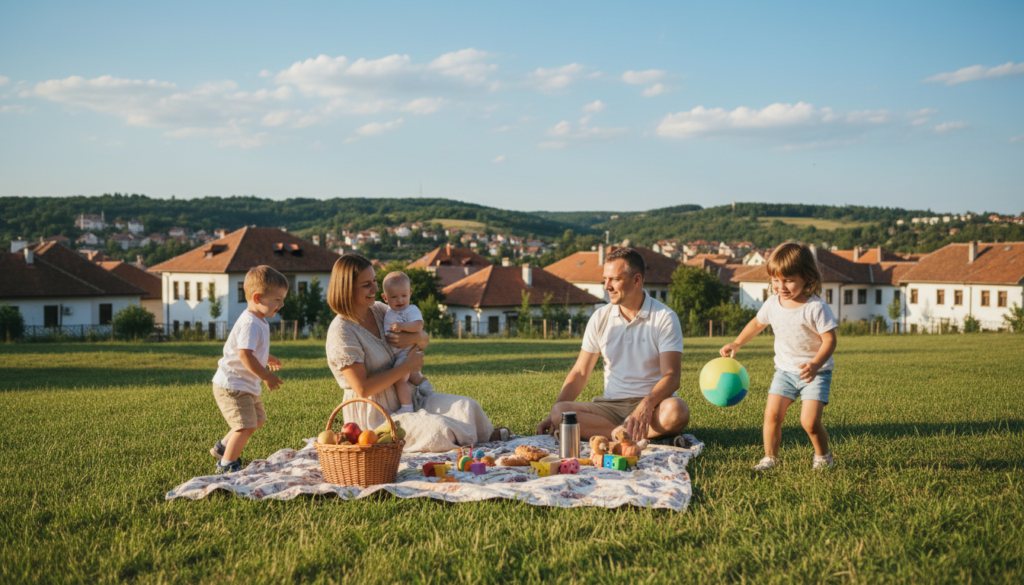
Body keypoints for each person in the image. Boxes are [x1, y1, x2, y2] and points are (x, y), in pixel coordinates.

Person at [325, 253, 510, 452]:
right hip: (376, 416)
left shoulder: (380, 310)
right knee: (436, 429)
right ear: (347, 289)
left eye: (375, 281)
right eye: (366, 284)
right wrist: (407, 366)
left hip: (410, 398)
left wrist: (415, 339)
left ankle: (483, 437)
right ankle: (460, 444)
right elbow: (362, 388)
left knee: (467, 406)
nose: (376, 289)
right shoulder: (342, 331)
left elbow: (424, 339)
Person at [537, 247, 690, 443]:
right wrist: (552, 416)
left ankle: (616, 434)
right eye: (605, 279)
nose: (607, 286)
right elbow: (580, 372)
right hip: (610, 407)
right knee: (561, 412)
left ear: (636, 280)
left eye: (614, 279)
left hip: (654, 405)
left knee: (678, 411)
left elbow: (672, 377)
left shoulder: (665, 317)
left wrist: (646, 406)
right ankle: (623, 436)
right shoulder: (600, 317)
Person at [719, 242, 837, 471]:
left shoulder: (816, 307)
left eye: (789, 280)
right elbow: (757, 323)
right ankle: (770, 458)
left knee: (810, 422)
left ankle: (823, 457)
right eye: (775, 280)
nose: (780, 286)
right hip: (784, 372)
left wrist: (815, 364)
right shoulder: (773, 303)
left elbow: (830, 340)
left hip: (815, 373)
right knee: (772, 415)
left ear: (807, 277)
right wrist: (737, 342)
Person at [209, 266, 288, 474]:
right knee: (244, 426)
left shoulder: (259, 320)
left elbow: (251, 350)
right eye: (277, 299)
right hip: (232, 385)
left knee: (257, 420)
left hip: (245, 385)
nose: (281, 304)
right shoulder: (250, 323)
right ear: (258, 298)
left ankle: (223, 447)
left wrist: (267, 357)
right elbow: (244, 355)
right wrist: (266, 376)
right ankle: (227, 466)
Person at [381, 271, 425, 415]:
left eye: (404, 296)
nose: (400, 300)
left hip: (407, 352)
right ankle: (425, 394)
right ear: (385, 298)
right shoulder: (386, 311)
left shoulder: (411, 310)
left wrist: (402, 326)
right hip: (398, 353)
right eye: (394, 297)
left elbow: (418, 325)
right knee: (412, 378)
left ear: (410, 294)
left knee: (400, 379)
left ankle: (407, 408)